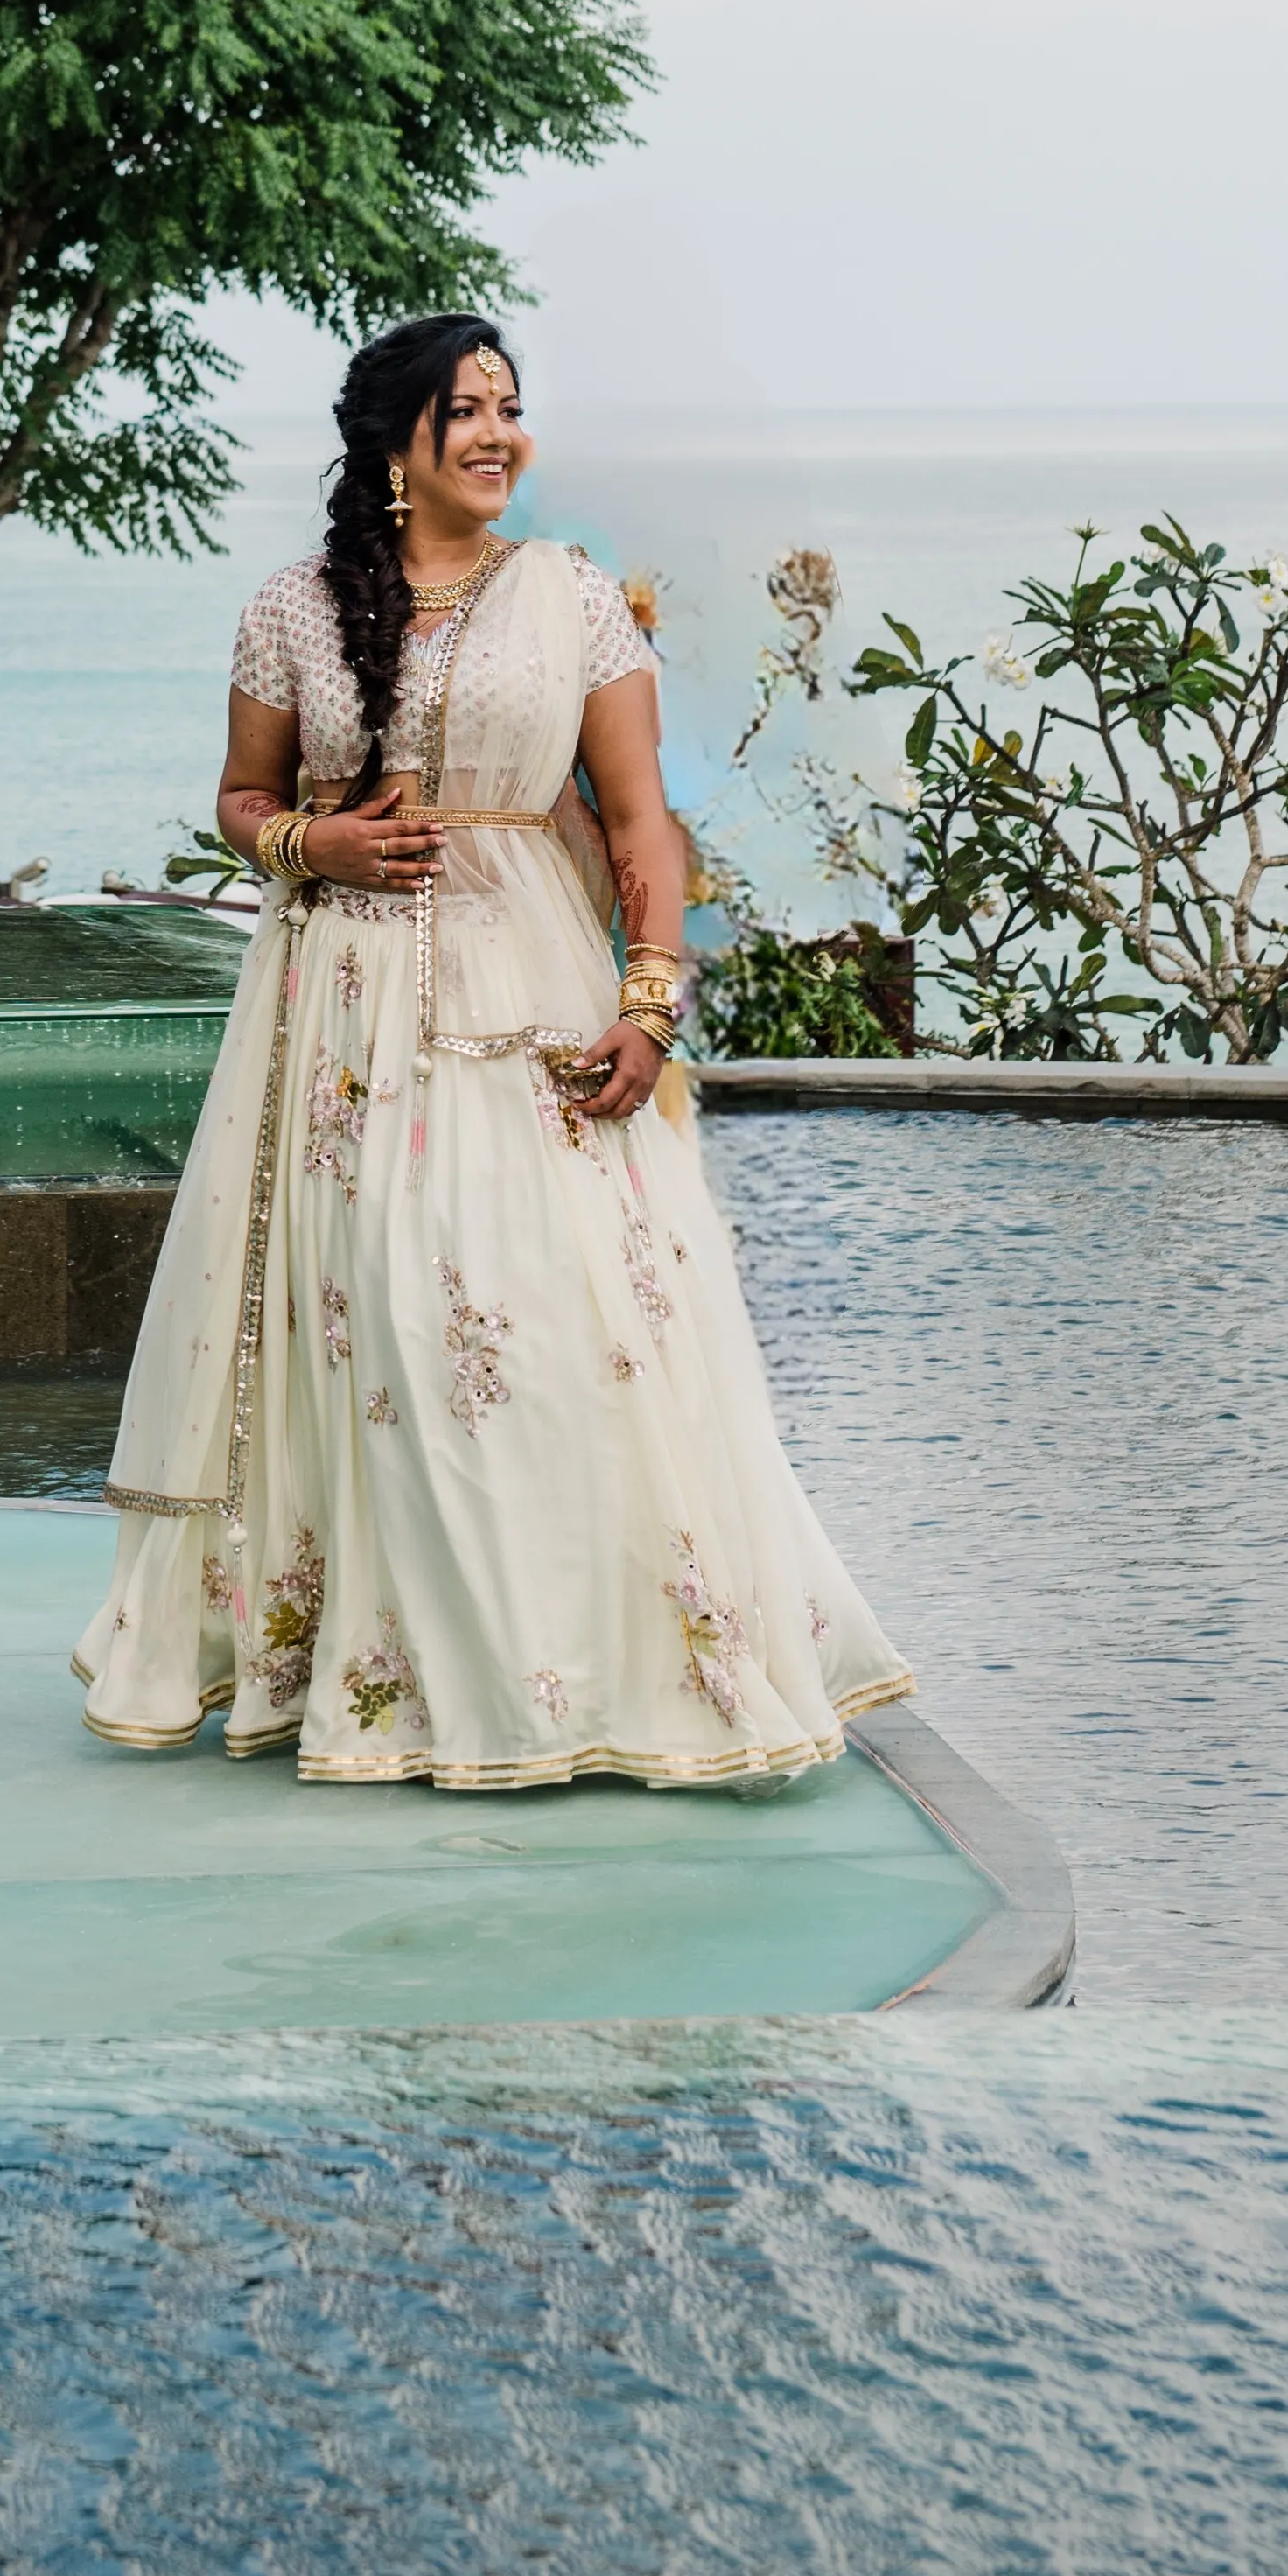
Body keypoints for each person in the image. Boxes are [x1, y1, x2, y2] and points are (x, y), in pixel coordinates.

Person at [74, 317, 910, 1788]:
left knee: (555, 1323)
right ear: (396, 437)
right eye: (468, 411)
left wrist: (651, 1001)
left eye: (513, 411)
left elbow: (643, 817)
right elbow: (239, 795)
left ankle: (591, 1667)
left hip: (534, 990)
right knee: (376, 1328)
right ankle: (386, 1674)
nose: (500, 436)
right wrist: (308, 840)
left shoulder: (574, 601)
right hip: (337, 1018)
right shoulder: (293, 608)